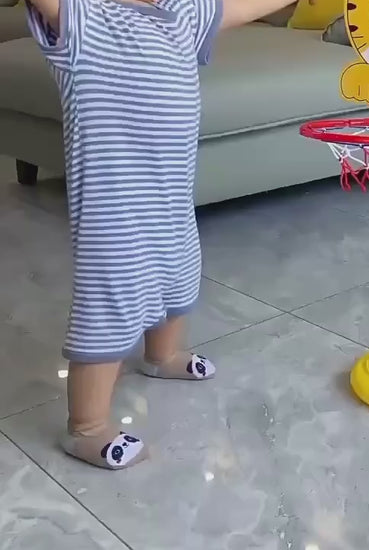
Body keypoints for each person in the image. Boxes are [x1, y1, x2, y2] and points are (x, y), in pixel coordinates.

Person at [26, 0, 303, 469]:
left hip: (171, 195)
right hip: (113, 211)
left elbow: (242, 6)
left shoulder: (184, 13)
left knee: (180, 276)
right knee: (111, 307)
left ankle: (163, 356)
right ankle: (86, 428)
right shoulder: (82, 17)